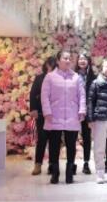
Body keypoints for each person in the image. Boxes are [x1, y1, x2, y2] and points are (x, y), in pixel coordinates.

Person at [41, 49, 86, 185]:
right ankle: (55, 172)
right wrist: (47, 111)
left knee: (71, 145)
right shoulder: (50, 77)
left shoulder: (76, 77)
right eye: (65, 58)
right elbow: (44, 96)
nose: (68, 61)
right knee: (54, 145)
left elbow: (82, 95)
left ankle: (69, 173)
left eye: (69, 58)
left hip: (72, 115)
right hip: (54, 115)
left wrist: (82, 110)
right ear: (58, 61)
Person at [29, 56, 56, 176]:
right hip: (41, 113)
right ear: (46, 65)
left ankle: (52, 165)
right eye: (49, 65)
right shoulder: (39, 78)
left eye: (53, 66)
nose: (50, 68)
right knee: (42, 139)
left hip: (55, 113)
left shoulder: (59, 78)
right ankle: (38, 164)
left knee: (54, 140)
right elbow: (33, 94)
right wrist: (33, 109)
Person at [75, 52, 94, 175]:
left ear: (88, 61)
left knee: (87, 137)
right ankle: (71, 163)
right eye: (80, 59)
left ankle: (86, 163)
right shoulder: (72, 75)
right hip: (74, 110)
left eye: (85, 59)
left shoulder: (93, 77)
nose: (82, 61)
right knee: (72, 137)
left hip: (87, 111)